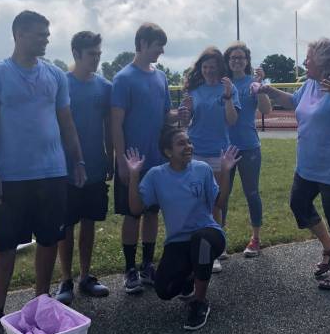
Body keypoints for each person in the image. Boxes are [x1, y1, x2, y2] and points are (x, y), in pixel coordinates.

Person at [0, 10, 86, 334]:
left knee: (50, 240)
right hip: (13, 179)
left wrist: (77, 161)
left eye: (47, 34)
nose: (46, 40)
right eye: (40, 34)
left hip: (52, 174)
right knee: (5, 247)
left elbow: (66, 123)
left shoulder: (55, 76)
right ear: (19, 34)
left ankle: (41, 304)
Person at [261, 38, 330, 289]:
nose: (305, 62)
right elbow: (294, 102)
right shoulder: (310, 84)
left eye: (309, 58)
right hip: (308, 163)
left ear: (324, 61)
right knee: (299, 203)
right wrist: (270, 91)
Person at [124, 125, 240, 330]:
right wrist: (134, 175)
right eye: (181, 143)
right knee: (165, 290)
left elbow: (219, 203)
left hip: (208, 234)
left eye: (189, 142)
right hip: (178, 241)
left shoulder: (202, 169)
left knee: (201, 242)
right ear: (168, 152)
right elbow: (135, 208)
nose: (188, 146)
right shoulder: (156, 175)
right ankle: (190, 276)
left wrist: (225, 171)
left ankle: (200, 302)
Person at [111, 22, 180, 294]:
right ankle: (130, 269)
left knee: (152, 213)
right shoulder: (123, 78)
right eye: (157, 45)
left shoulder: (160, 77)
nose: (162, 50)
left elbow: (166, 115)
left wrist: (180, 115)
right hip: (133, 161)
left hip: (157, 160)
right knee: (132, 214)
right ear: (141, 44)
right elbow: (116, 124)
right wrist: (120, 161)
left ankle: (147, 265)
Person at [55, 31, 112, 305]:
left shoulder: (105, 86)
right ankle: (65, 279)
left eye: (99, 54)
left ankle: (85, 276)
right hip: (64, 169)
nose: (97, 59)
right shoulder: (60, 84)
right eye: (92, 54)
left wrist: (110, 157)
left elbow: (109, 127)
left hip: (95, 166)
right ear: (76, 53)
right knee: (65, 225)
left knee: (89, 222)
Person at [180, 46, 241, 272]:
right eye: (205, 67)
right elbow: (185, 123)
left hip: (218, 151)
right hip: (195, 150)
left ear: (220, 68)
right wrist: (184, 114)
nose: (208, 71)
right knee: (196, 198)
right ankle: (194, 244)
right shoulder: (195, 89)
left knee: (215, 200)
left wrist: (226, 98)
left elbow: (232, 120)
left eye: (212, 67)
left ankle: (215, 246)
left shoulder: (228, 89)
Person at [223, 41, 272, 257]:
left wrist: (260, 85)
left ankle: (255, 238)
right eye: (233, 57)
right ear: (227, 60)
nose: (236, 61)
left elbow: (266, 109)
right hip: (224, 147)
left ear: (247, 61)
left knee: (251, 192)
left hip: (249, 147)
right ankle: (219, 239)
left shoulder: (253, 83)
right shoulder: (221, 83)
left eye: (241, 58)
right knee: (221, 194)